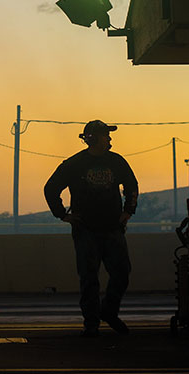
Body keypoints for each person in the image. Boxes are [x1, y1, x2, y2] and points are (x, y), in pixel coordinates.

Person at [44, 120, 138, 337]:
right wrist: (63, 215)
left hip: (113, 227)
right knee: (89, 278)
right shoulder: (75, 164)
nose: (110, 139)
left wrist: (128, 211)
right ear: (93, 138)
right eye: (106, 135)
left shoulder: (116, 161)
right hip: (86, 230)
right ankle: (92, 323)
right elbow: (51, 188)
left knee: (122, 273)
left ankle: (108, 312)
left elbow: (132, 186)